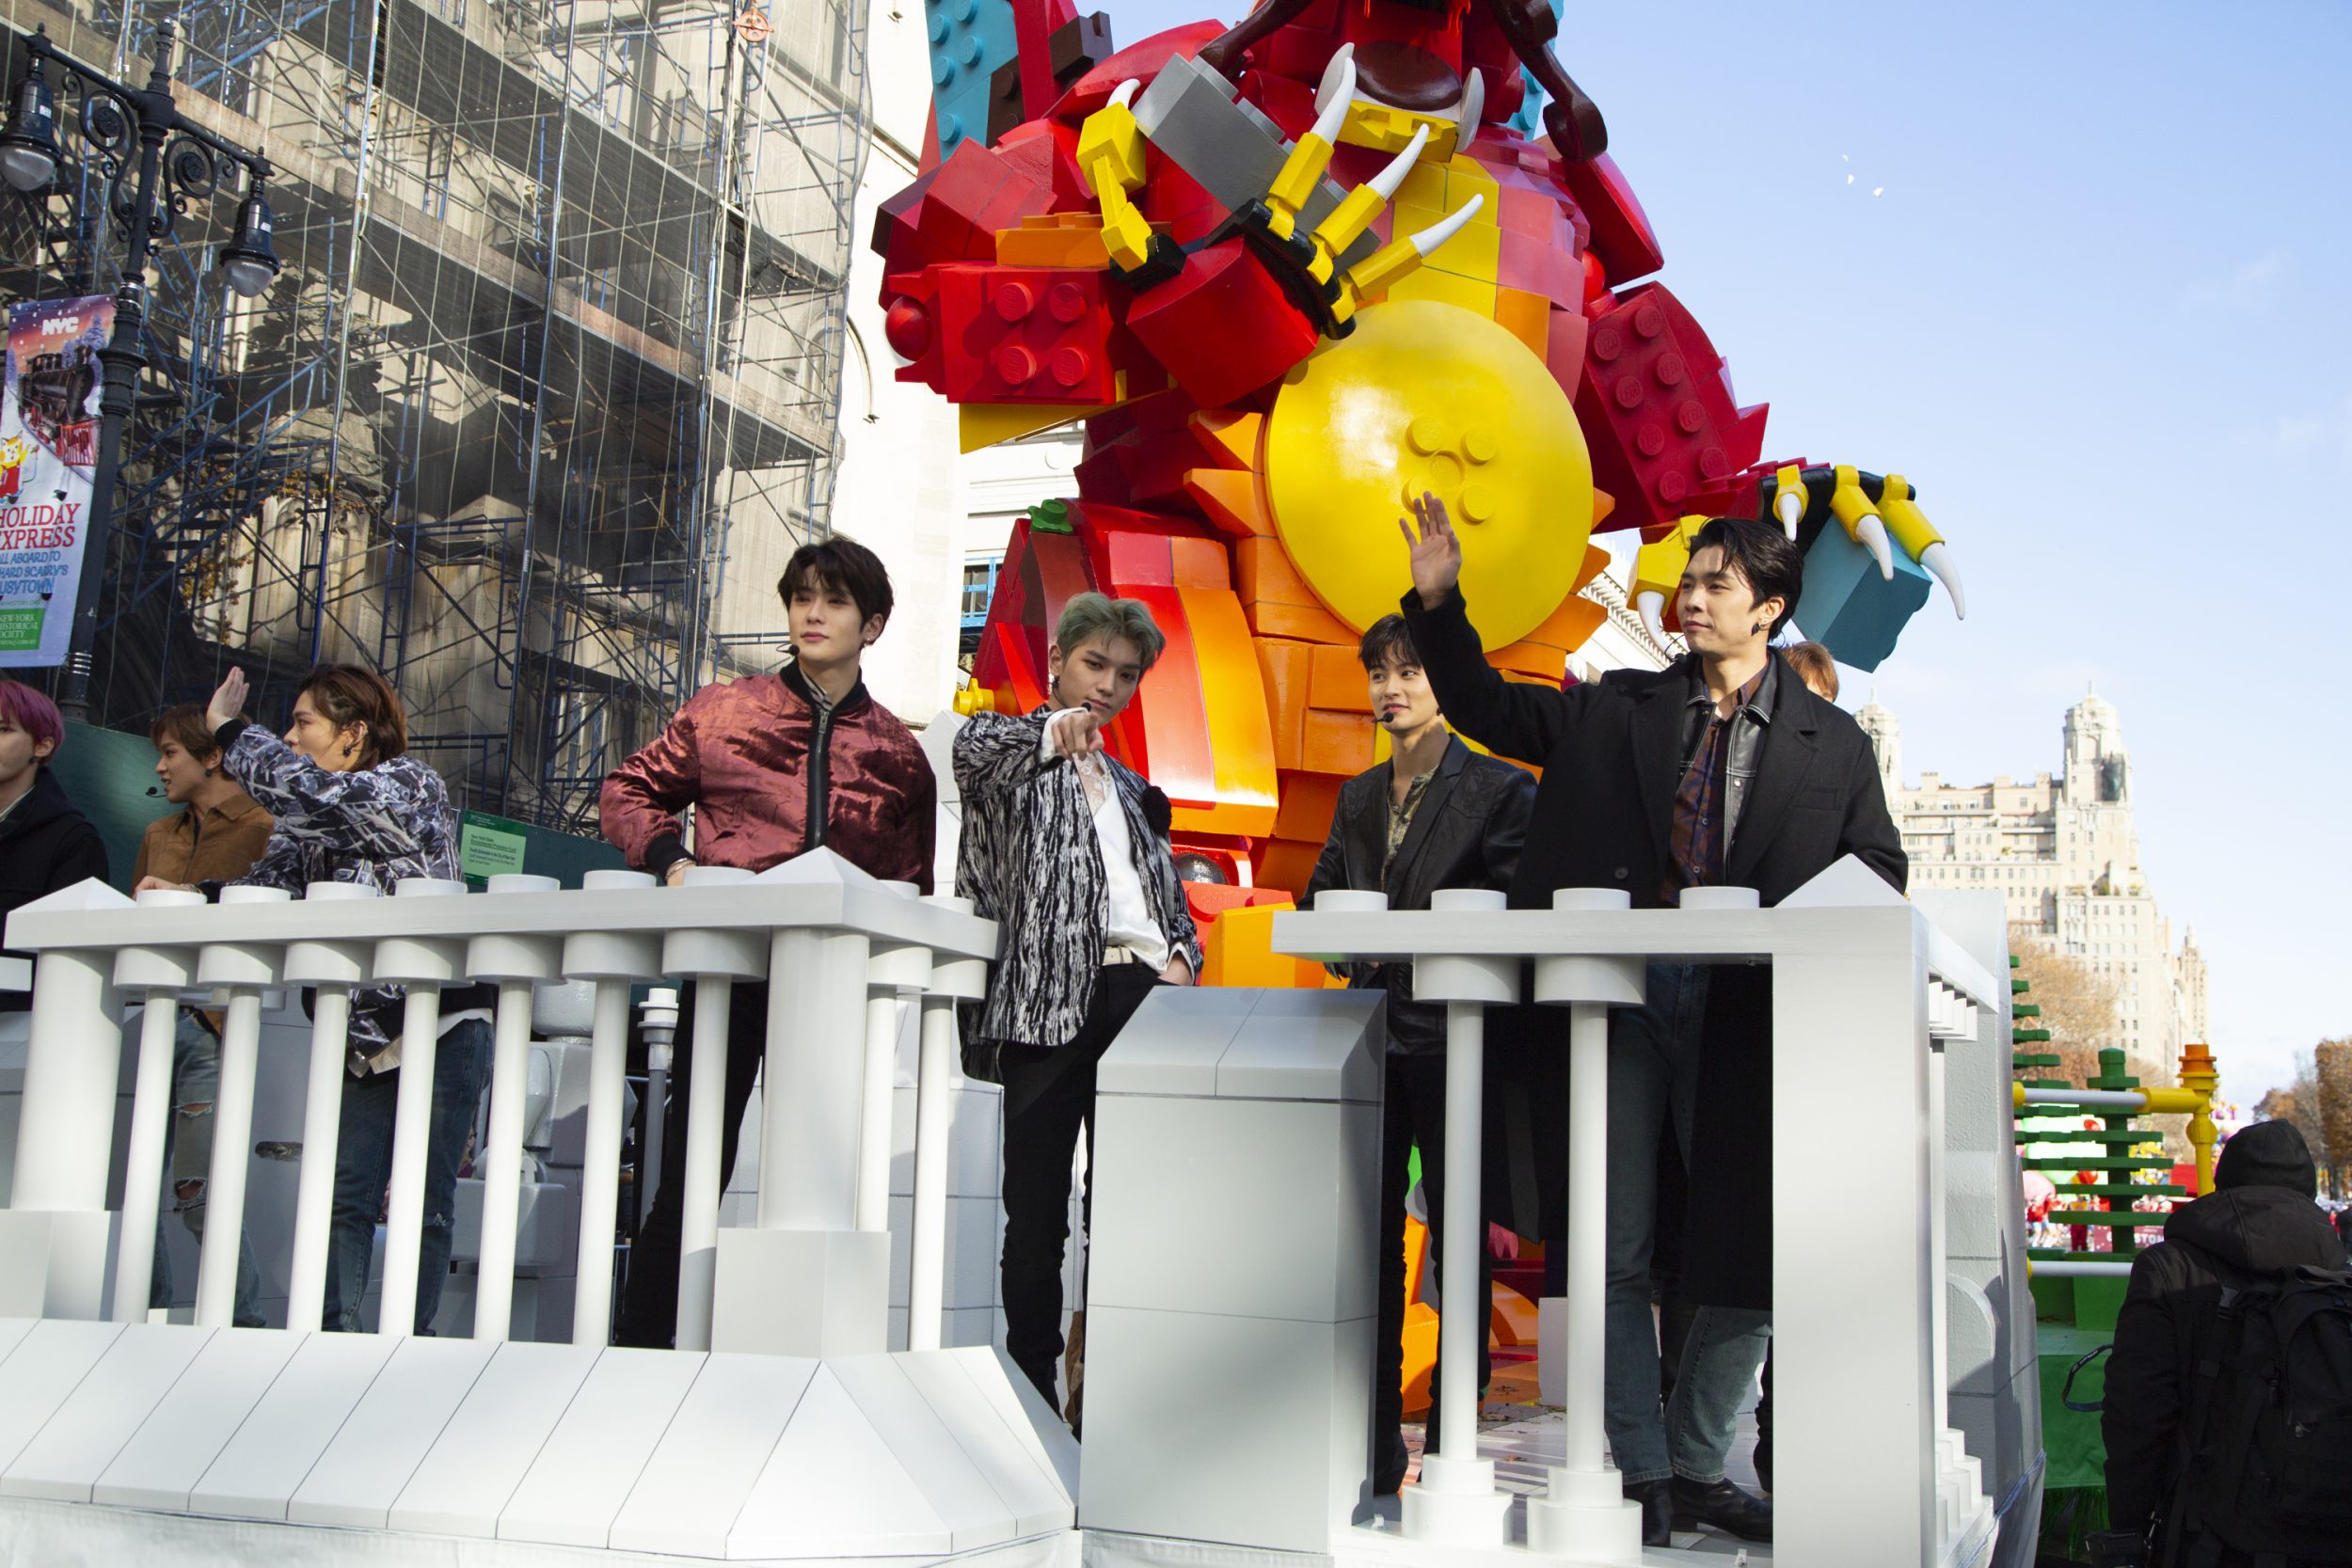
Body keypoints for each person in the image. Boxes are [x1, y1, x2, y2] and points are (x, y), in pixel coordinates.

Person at [1398, 495, 1904, 1545]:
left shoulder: (1834, 743)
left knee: (1755, 1247)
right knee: (1612, 1240)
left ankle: (1692, 1455)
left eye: (1719, 583)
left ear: (1769, 608)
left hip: (1751, 1015)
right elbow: (1489, 707)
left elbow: (1878, 870)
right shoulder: (1620, 706)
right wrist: (1439, 602)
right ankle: (1644, 1469)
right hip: (1619, 1000)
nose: (1693, 597)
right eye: (1692, 580)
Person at [601, 535, 935, 1348]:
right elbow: (627, 789)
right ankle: (644, 1353)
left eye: (835, 600)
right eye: (801, 597)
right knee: (692, 1170)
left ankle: (797, 1357)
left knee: (824, 1176)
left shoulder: (898, 754)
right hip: (729, 970)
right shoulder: (724, 711)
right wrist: (672, 860)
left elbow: (909, 884)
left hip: (833, 987)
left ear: (873, 625)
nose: (813, 613)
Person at [139, 664, 495, 1335]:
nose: (289, 736)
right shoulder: (303, 817)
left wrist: (231, 733)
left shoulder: (410, 782)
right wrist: (192, 894)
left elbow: (324, 798)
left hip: (441, 1021)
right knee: (345, 1194)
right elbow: (266, 888)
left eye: (303, 722)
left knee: (424, 1200)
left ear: (354, 733)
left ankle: (411, 1343)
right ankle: (339, 1338)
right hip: (359, 1034)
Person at [954, 591, 1202, 1420]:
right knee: (1035, 1218)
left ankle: (1104, 1400)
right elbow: (969, 753)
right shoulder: (1006, 749)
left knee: (1126, 1209)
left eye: (1126, 674)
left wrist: (1180, 958)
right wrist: (1049, 733)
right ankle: (1031, 1397)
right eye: (1096, 664)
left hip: (1142, 995)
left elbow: (1162, 894)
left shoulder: (1133, 786)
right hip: (1044, 1000)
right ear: (1058, 659)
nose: (1108, 685)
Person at [1303, 612, 1534, 1494]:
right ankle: (1373, 1445)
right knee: (1370, 1242)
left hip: (1458, 1038)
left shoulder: (1498, 787)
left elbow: (1515, 911)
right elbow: (1322, 898)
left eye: (1411, 672)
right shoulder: (1358, 794)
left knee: (1457, 1240)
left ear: (1445, 681)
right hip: (1369, 1037)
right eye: (1380, 673)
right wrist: (1345, 942)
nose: (1391, 689)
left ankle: (1452, 1441)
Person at [2093, 1119, 2350, 1568]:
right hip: (2329, 1529)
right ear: (2307, 1190)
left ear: (2223, 1181)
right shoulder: (2338, 1270)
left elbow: (2137, 1411)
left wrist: (2129, 1527)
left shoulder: (2170, 1267)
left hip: (2208, 1535)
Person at [132, 704, 277, 1324]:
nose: (160, 767)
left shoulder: (262, 827)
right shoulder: (157, 835)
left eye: (171, 753)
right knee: (132, 1190)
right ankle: (145, 1316)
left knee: (197, 1196)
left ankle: (245, 1326)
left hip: (215, 1025)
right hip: (148, 1019)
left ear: (213, 755)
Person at [0, 679, 109, 1011]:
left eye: (3, 729)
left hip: (23, 1024)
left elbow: (73, 961)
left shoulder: (74, 841)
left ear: (42, 746)